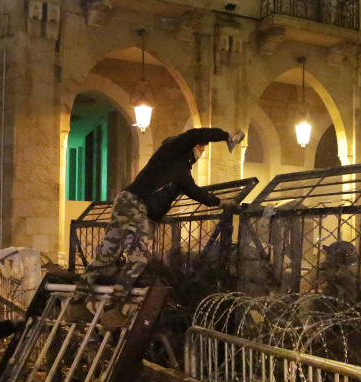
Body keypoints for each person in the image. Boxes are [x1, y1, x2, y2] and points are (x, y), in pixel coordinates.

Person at [67, 127, 245, 328]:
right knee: (139, 258)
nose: (202, 151)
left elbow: (196, 192)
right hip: (136, 204)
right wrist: (225, 136)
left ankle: (76, 303)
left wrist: (220, 202)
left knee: (106, 254)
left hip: (127, 201)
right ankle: (112, 309)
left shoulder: (182, 172)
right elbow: (194, 135)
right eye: (202, 147)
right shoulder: (172, 151)